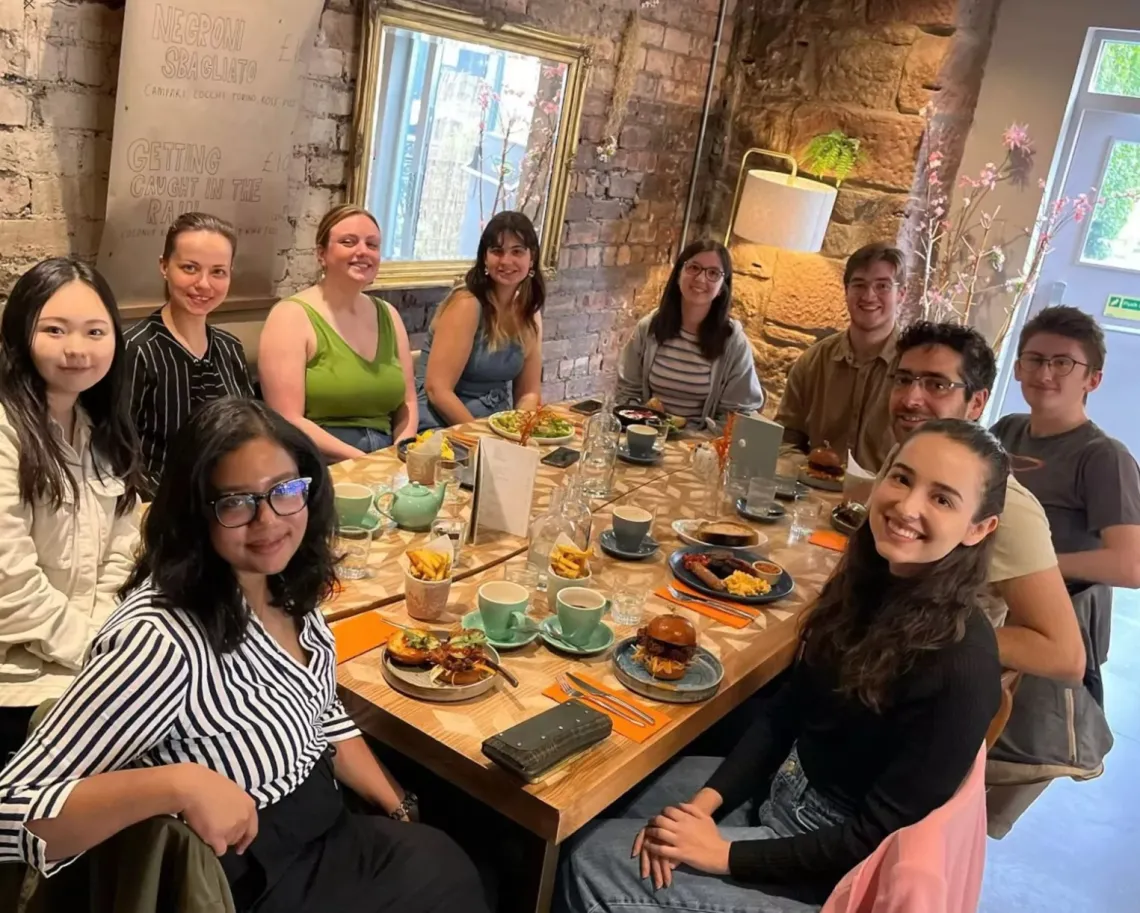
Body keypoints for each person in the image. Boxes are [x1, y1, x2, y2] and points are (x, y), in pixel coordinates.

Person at [0, 399, 487, 913]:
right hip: (245, 882)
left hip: (325, 829)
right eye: (236, 502)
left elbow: (319, 711)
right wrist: (177, 785)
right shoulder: (161, 641)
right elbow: (10, 813)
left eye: (285, 490)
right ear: (196, 512)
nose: (268, 520)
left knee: (458, 857)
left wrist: (399, 806)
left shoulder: (286, 585)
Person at [558, 418, 1005, 911]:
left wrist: (723, 855)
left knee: (591, 860)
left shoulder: (962, 665)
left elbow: (874, 840)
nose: (907, 505)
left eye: (942, 499)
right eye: (901, 478)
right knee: (592, 810)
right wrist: (704, 806)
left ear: (979, 528)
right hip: (784, 786)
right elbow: (787, 712)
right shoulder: (870, 580)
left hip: (833, 872)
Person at [884, 321, 1085, 682]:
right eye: (903, 379)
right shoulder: (902, 459)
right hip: (866, 659)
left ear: (976, 402)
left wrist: (923, 640)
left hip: (922, 688)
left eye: (937, 384)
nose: (911, 398)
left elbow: (1065, 655)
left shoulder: (1009, 506)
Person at [0, 259, 140, 762]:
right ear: (20, 332)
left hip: (87, 663)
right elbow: (10, 588)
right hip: (16, 685)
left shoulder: (98, 428)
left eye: (94, 331)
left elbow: (122, 552)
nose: (77, 348)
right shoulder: (7, 429)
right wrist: (97, 653)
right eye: (54, 330)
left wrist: (102, 637)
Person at [992, 305, 1140, 588]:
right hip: (987, 599)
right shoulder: (1006, 429)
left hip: (1055, 611)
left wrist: (1018, 566)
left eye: (1063, 363)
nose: (1045, 374)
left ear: (1093, 380)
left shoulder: (1105, 456)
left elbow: (1131, 566)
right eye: (1034, 360)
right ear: (1017, 369)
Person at [259, 204, 418, 462]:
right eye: (348, 242)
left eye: (372, 244)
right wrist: (365, 462)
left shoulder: (389, 314)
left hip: (387, 459)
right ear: (321, 254)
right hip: (322, 463)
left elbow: (408, 402)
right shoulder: (289, 317)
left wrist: (400, 450)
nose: (362, 252)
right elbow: (287, 419)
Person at [124, 212, 256, 498]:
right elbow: (118, 454)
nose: (204, 284)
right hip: (161, 505)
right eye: (190, 268)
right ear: (164, 266)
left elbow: (249, 431)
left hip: (231, 499)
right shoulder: (136, 349)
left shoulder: (230, 348)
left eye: (218, 271)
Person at [775, 242, 902, 472]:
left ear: (900, 294)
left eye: (882, 286)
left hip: (884, 502)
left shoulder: (914, 371)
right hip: (812, 496)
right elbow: (785, 438)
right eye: (859, 284)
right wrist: (808, 469)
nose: (869, 295)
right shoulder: (813, 361)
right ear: (846, 292)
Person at [418, 211, 544, 430]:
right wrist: (484, 438)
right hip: (443, 423)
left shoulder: (529, 312)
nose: (506, 261)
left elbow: (528, 392)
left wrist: (519, 431)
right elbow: (437, 391)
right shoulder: (467, 304)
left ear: (531, 257)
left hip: (495, 424)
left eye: (517, 251)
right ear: (484, 257)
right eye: (497, 251)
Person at [617, 239, 764, 427]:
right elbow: (627, 390)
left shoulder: (733, 343)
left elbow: (738, 414)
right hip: (645, 434)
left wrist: (698, 442)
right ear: (679, 273)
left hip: (702, 447)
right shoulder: (649, 328)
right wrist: (641, 419)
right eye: (694, 268)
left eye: (713, 273)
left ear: (722, 288)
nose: (701, 279)